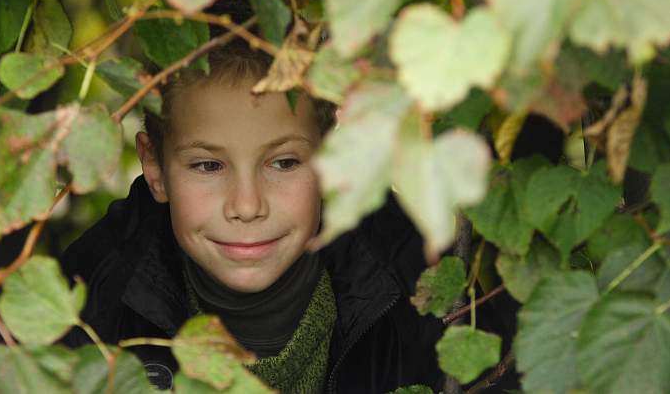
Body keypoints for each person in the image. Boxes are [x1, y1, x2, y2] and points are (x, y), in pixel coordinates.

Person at [60, 39, 445, 393]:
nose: (246, 206)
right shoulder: (88, 306)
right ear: (156, 169)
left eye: (284, 162)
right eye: (208, 166)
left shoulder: (421, 288)